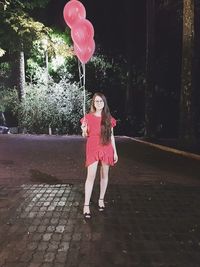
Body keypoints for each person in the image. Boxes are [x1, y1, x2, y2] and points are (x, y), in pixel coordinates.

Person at [80, 92, 118, 219]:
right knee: (90, 176)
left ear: (104, 103)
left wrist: (115, 152)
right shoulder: (88, 118)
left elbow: (112, 136)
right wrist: (84, 129)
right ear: (93, 103)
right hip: (92, 147)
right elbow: (85, 135)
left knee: (104, 175)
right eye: (96, 101)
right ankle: (86, 205)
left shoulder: (108, 118)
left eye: (101, 101)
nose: (99, 103)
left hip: (106, 147)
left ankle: (101, 199)